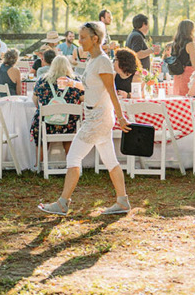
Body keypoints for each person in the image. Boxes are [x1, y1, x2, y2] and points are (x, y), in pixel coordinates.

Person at [38, 21, 132, 216]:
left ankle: (63, 203)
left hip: (98, 118)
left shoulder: (103, 61)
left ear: (94, 39)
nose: (78, 41)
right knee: (110, 160)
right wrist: (72, 83)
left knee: (74, 157)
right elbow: (91, 87)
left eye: (82, 37)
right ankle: (122, 201)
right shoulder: (92, 60)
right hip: (95, 116)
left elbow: (111, 92)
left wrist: (121, 117)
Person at [30, 55, 84, 163]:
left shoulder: (42, 80)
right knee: (70, 130)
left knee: (40, 126)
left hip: (47, 124)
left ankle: (39, 164)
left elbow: (35, 100)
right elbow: (84, 98)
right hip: (69, 124)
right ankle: (71, 163)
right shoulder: (75, 81)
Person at [169, 19, 195, 95]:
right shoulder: (190, 44)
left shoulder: (174, 44)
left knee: (179, 100)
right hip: (188, 75)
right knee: (189, 99)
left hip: (177, 75)